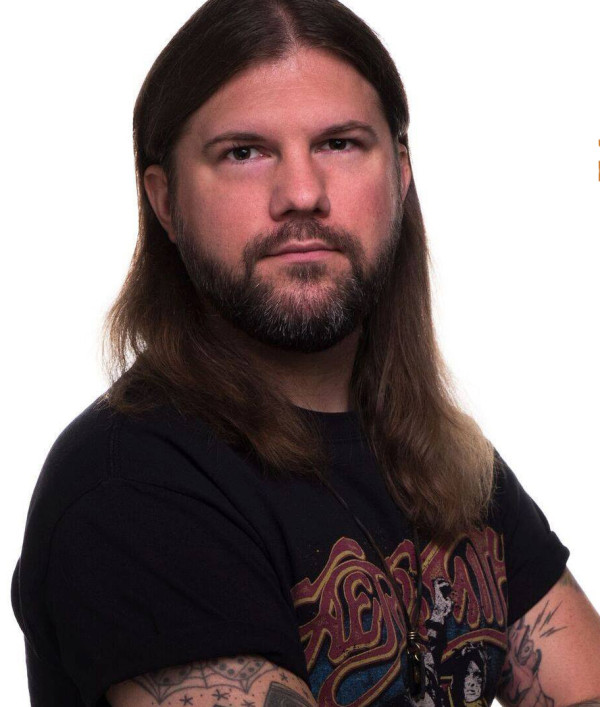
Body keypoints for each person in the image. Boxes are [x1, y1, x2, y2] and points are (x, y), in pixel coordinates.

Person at [10, 0, 600, 705]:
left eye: (340, 144)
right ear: (165, 200)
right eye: (244, 152)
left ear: (400, 174)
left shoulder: (439, 459)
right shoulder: (131, 489)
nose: (301, 193)